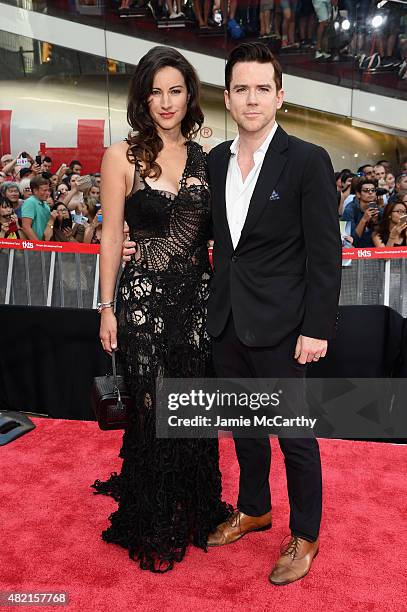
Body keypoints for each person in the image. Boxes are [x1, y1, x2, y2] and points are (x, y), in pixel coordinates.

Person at [204, 42, 341, 586]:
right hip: (227, 323)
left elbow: (325, 253)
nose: (252, 98)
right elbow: (214, 243)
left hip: (285, 328)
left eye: (263, 88)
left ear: (280, 96)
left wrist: (316, 327)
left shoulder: (307, 160)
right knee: (244, 429)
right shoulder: (214, 161)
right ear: (228, 98)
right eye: (242, 89)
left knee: (295, 438)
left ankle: (305, 534)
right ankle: (255, 509)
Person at [92, 46, 231, 573]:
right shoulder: (121, 156)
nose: (166, 102)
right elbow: (110, 237)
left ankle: (193, 503)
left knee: (193, 405)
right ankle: (152, 510)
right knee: (151, 408)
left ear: (190, 96)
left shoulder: (207, 158)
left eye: (176, 90)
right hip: (143, 302)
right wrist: (105, 307)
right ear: (142, 97)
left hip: (197, 304)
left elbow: (225, 234)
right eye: (156, 91)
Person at [342, 177, 380, 247]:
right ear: (358, 194)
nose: (370, 192)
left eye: (373, 190)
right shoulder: (349, 210)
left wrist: (375, 222)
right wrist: (364, 220)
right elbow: (347, 241)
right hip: (356, 252)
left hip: (374, 252)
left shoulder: (379, 210)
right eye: (366, 190)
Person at [20, 176, 51, 240]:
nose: (48, 193)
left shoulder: (46, 205)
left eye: (48, 190)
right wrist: (37, 245)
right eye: (45, 190)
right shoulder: (30, 202)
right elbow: (26, 227)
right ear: (35, 191)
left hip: (46, 245)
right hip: (35, 247)